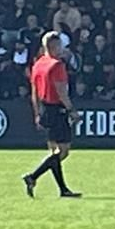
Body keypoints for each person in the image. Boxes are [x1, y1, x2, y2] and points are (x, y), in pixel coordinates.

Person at [22, 31, 81, 199]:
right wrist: (71, 110)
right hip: (57, 109)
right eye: (60, 45)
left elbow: (33, 92)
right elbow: (61, 91)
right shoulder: (57, 65)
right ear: (54, 46)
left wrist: (37, 113)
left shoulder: (38, 63)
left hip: (45, 109)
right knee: (62, 152)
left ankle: (63, 190)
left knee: (54, 151)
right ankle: (32, 176)